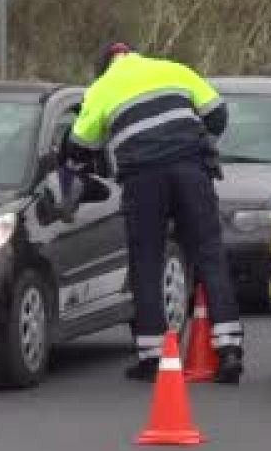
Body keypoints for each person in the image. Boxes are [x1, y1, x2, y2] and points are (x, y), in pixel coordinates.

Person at [66, 41, 245, 383]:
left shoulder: (102, 88)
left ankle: (152, 357)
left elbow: (80, 145)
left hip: (143, 177)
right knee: (209, 254)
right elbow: (218, 115)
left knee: (146, 260)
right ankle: (228, 350)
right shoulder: (173, 69)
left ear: (104, 66)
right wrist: (199, 141)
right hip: (191, 169)